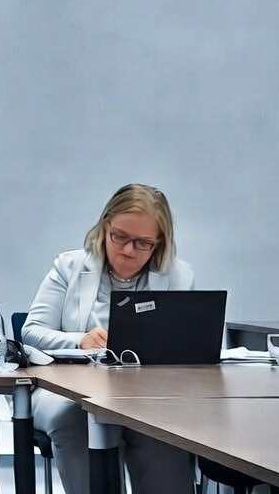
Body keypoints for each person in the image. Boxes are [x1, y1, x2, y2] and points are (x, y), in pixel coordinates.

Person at [20, 183, 195, 494]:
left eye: (142, 243)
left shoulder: (179, 277)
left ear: (159, 244)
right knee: (75, 420)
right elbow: (31, 331)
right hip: (66, 392)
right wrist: (79, 340)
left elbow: (189, 345)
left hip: (146, 395)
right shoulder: (69, 266)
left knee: (164, 431)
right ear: (104, 226)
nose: (128, 250)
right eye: (120, 237)